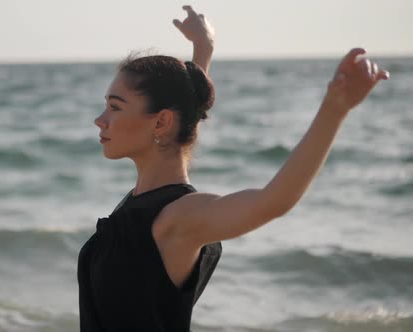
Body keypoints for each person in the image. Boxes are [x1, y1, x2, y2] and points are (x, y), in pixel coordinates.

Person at [77, 5, 389, 332]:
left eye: (114, 107)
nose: (100, 119)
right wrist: (203, 49)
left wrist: (335, 109)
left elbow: (274, 200)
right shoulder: (143, 202)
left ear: (161, 121)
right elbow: (184, 103)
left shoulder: (181, 218)